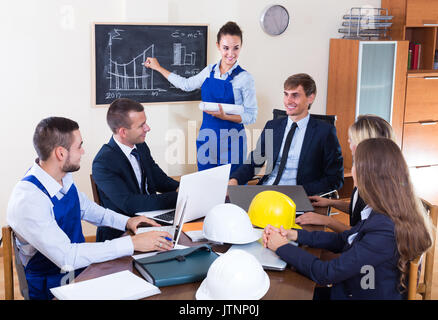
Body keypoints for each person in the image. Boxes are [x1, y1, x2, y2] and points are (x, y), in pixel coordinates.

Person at [7, 117, 174, 300]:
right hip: (52, 289)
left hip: (81, 273)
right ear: (61, 153)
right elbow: (67, 257)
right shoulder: (28, 199)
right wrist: (132, 243)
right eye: (79, 146)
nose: (83, 151)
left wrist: (127, 221)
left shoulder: (61, 176)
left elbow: (88, 209)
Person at [263, 138, 434, 300]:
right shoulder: (386, 211)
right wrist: (295, 235)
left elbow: (326, 273)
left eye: (354, 164)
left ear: (368, 175)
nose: (351, 169)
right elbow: (343, 238)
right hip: (356, 290)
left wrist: (281, 246)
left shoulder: (385, 229)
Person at [144, 21, 257, 174]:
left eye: (236, 48)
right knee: (207, 187)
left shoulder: (245, 78)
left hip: (233, 143)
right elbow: (186, 85)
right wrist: (158, 68)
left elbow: (251, 115)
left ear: (241, 46)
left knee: (231, 191)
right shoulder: (208, 71)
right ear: (218, 46)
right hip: (207, 140)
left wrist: (226, 116)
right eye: (226, 48)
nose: (231, 53)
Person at [229, 73, 343, 196]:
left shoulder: (324, 132)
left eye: (295, 95)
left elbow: (335, 179)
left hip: (298, 195)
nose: (288, 101)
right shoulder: (273, 126)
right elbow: (255, 161)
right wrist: (235, 180)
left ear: (310, 98)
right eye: (286, 94)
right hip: (266, 190)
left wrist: (302, 192)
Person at [92, 98, 179, 242]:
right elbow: (131, 204)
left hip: (151, 221)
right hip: (121, 235)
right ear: (123, 132)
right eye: (141, 125)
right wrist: (179, 198)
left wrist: (184, 188)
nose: (148, 128)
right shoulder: (103, 162)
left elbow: (159, 180)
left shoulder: (140, 146)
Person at [296, 114, 396, 232]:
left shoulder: (378, 187)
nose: (348, 141)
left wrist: (326, 220)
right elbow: (358, 209)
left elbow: (359, 236)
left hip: (360, 246)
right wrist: (331, 202)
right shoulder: (373, 173)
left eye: (352, 139)